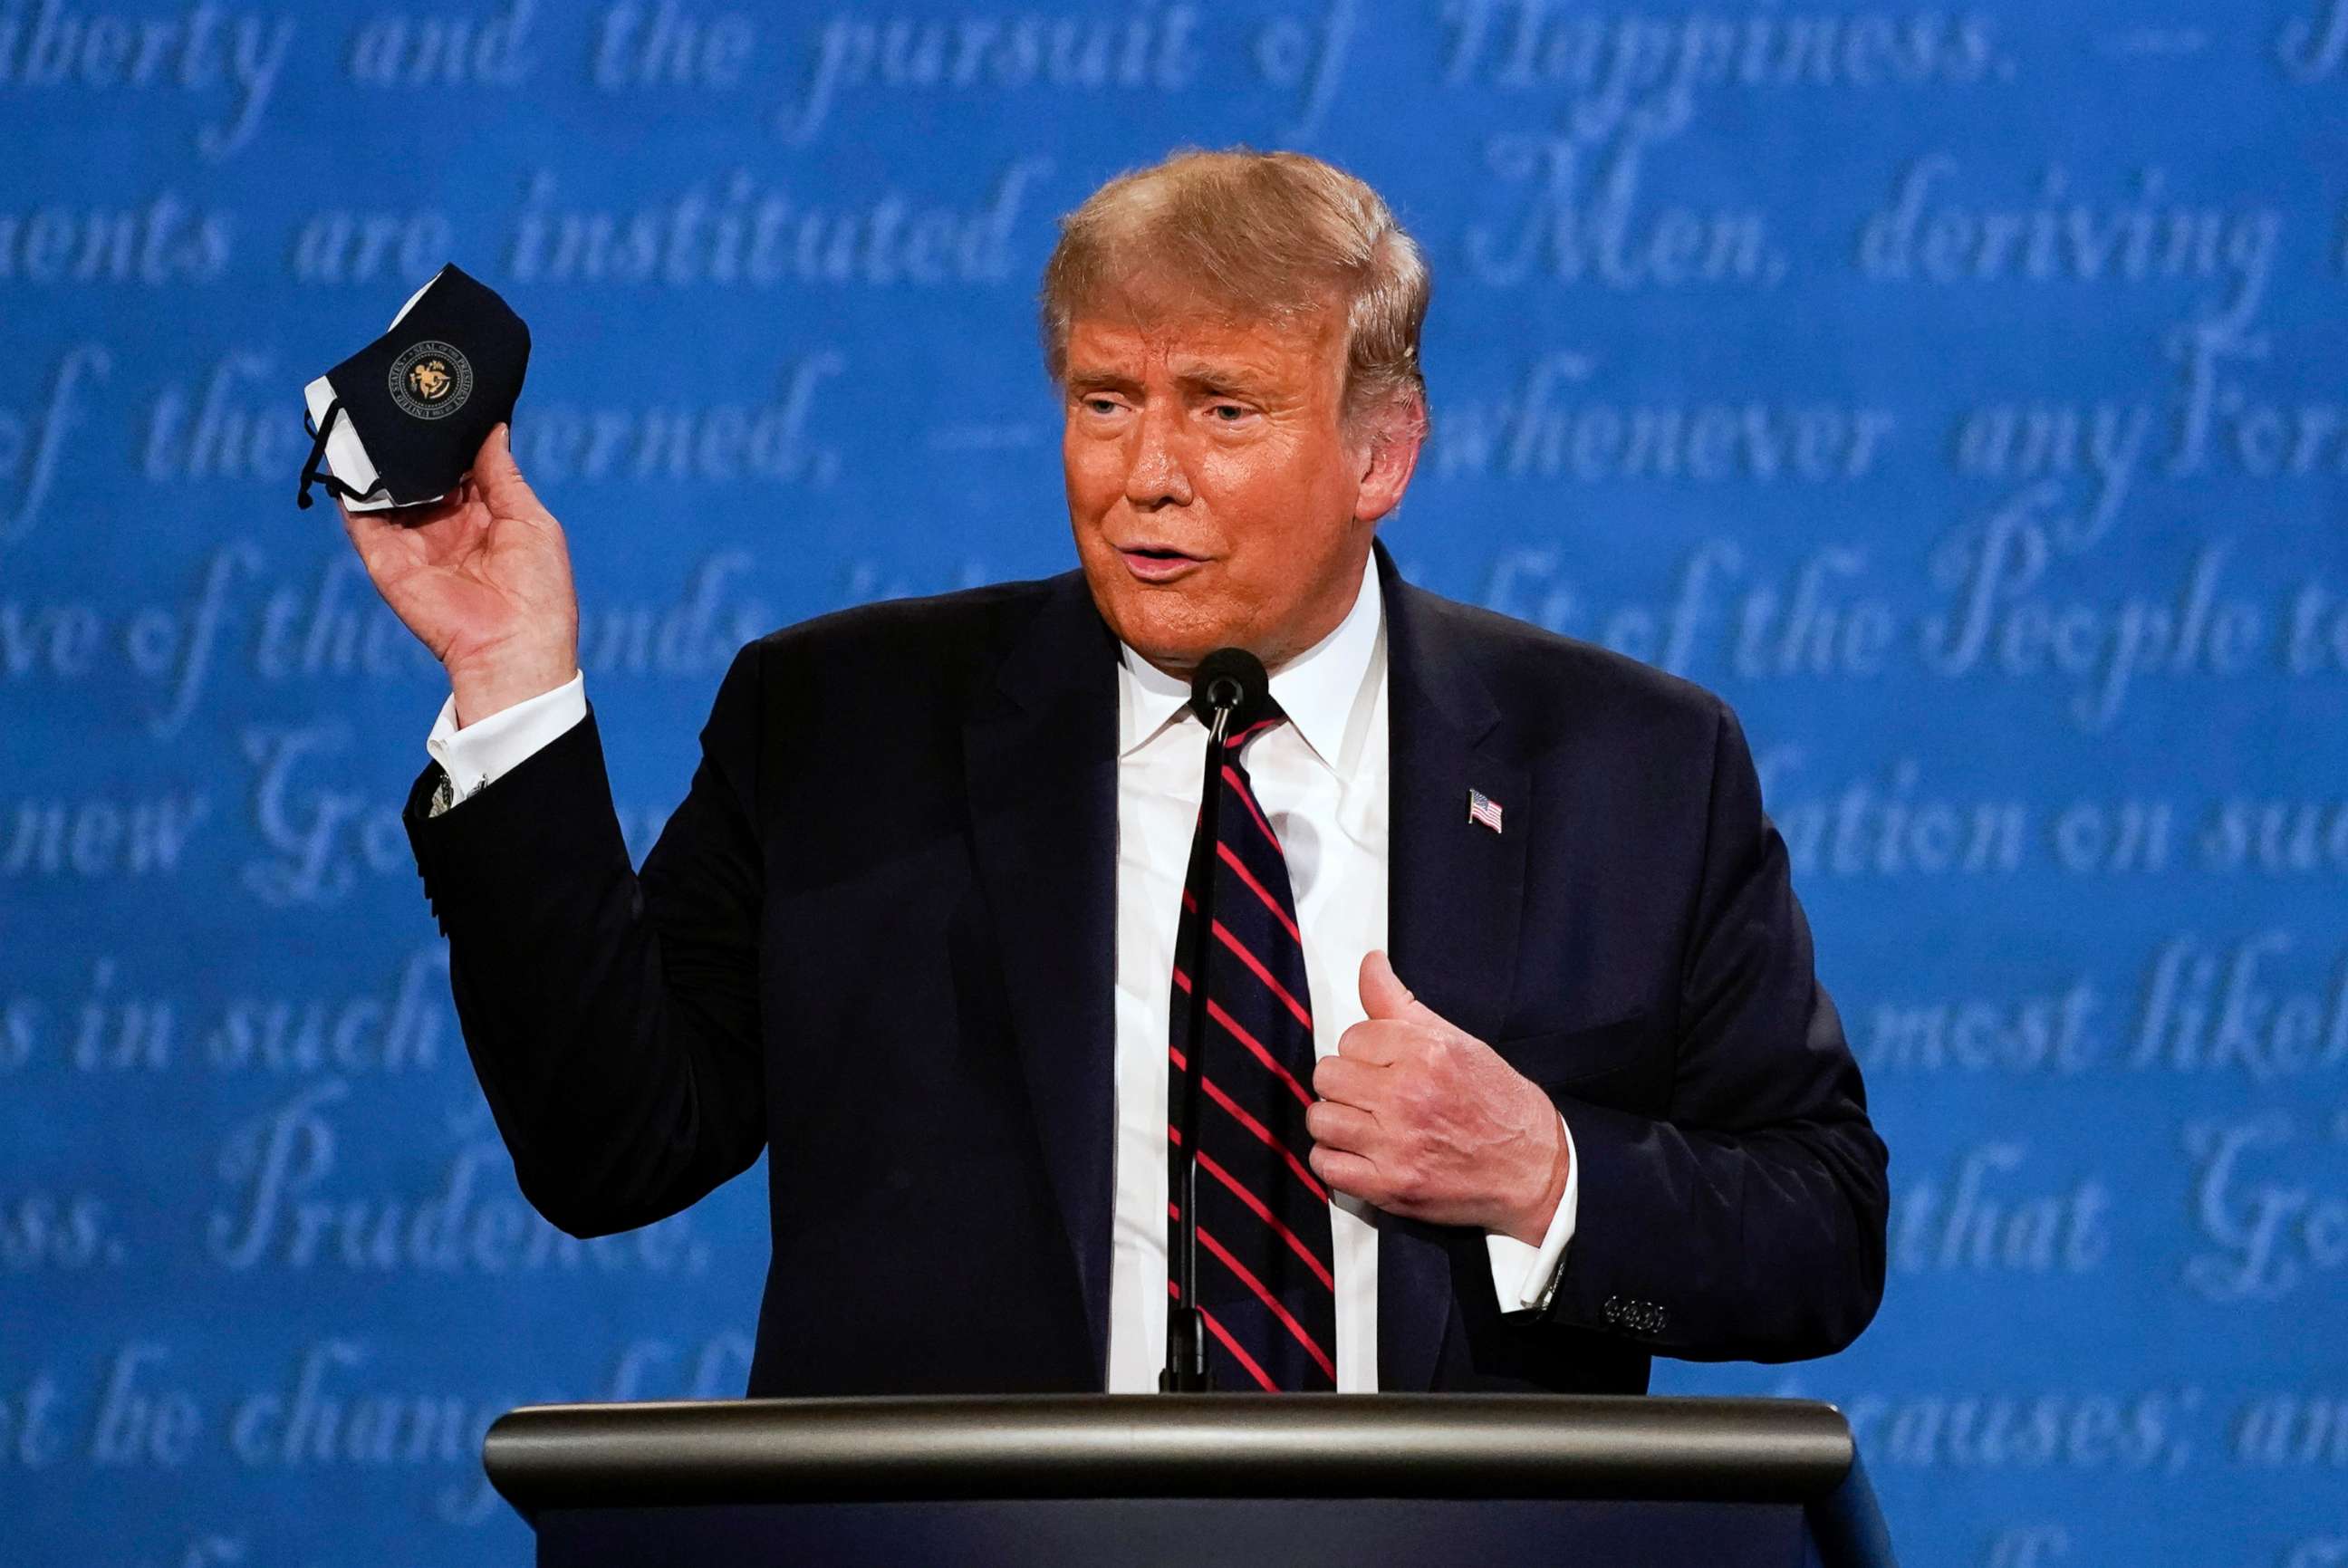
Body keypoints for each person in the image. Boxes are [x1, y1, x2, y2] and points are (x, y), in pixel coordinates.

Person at [340, 147, 1888, 1398]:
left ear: (1380, 451)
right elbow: (613, 1147)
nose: (1146, 472)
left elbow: (1820, 1232)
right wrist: (510, 682)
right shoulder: (838, 728)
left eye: (1224, 409)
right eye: (1104, 401)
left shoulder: (1630, 768)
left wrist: (1541, 1170)